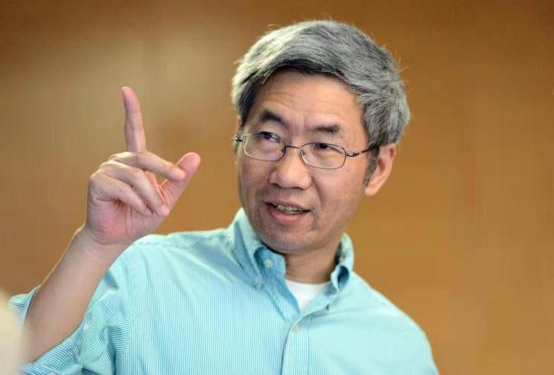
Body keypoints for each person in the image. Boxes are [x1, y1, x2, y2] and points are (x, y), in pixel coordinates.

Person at [10, 20, 438, 374]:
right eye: (268, 136)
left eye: (325, 146)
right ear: (238, 138)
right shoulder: (137, 277)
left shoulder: (402, 351)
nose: (288, 174)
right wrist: (95, 244)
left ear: (378, 167)